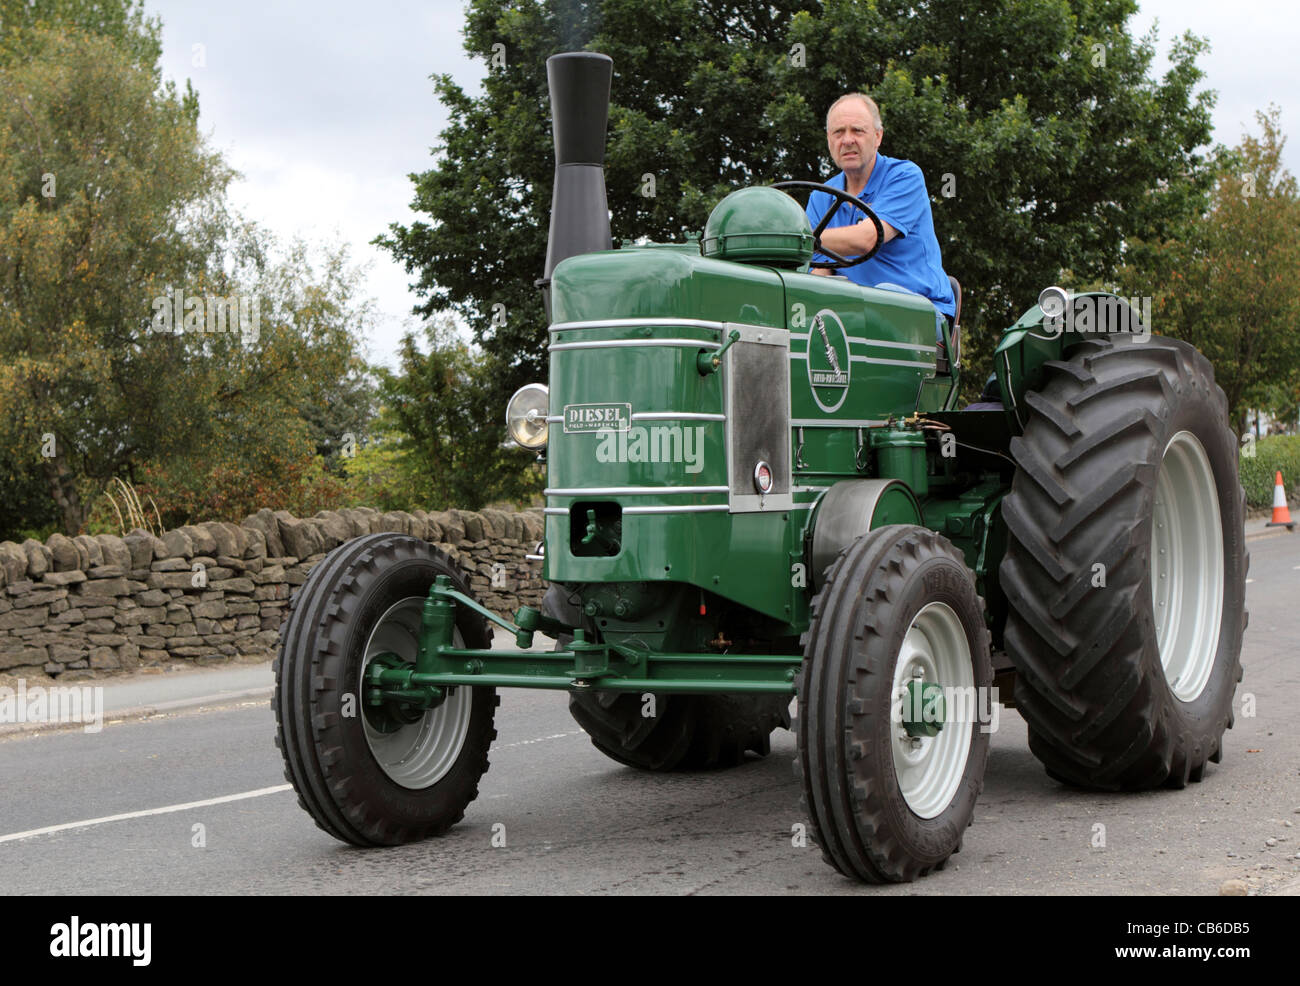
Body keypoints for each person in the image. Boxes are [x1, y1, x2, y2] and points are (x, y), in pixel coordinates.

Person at [805, 93, 955, 341]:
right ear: (829, 140)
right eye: (838, 132)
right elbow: (821, 274)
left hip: (924, 313)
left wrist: (796, 237)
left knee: (882, 298)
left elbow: (868, 238)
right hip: (855, 316)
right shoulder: (821, 197)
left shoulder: (905, 176)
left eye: (858, 131)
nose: (847, 140)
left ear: (878, 137)